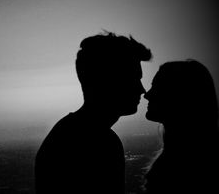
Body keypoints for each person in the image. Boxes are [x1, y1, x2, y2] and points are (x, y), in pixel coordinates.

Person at [35, 31, 152, 193]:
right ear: (108, 81)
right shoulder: (98, 142)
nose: (141, 89)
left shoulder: (71, 133)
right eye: (133, 79)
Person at [144, 60, 219, 194]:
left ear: (179, 95)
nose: (147, 95)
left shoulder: (184, 165)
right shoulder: (200, 158)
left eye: (157, 87)